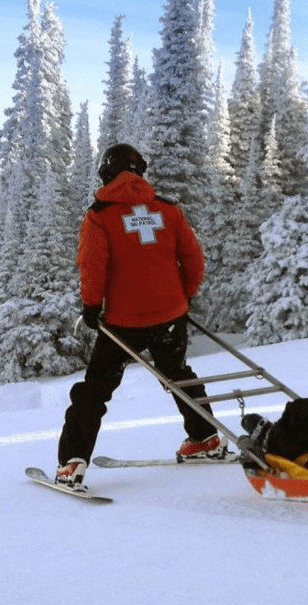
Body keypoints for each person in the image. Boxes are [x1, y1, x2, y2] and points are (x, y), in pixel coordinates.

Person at [55, 143, 222, 490]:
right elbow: (194, 259)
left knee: (95, 391)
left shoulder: (99, 215)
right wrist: (185, 296)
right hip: (170, 316)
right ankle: (205, 438)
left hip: (123, 321)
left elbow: (93, 265)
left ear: (106, 173)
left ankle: (73, 462)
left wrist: (91, 306)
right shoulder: (167, 210)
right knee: (177, 374)